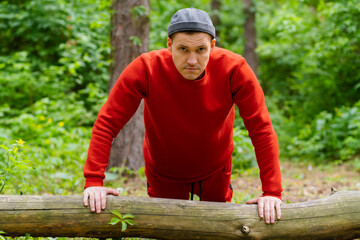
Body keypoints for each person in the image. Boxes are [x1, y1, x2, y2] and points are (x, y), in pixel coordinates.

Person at [83, 7, 282, 224]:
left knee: (217, 230)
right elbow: (107, 122)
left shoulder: (234, 69)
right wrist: (94, 181)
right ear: (170, 45)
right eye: (183, 49)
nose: (192, 60)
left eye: (201, 50)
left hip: (215, 169)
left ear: (212, 47)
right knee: (167, 231)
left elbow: (261, 129)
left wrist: (272, 192)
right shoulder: (146, 68)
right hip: (164, 171)